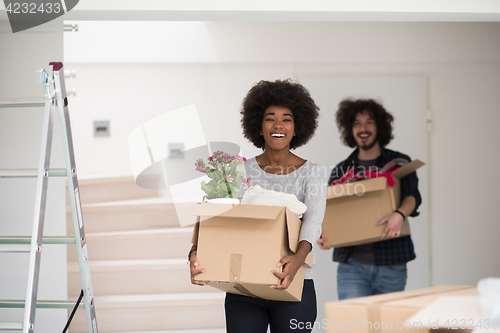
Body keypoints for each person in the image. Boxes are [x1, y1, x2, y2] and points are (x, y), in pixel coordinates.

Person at [189, 79, 326, 333]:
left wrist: (298, 259)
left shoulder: (313, 173)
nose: (278, 125)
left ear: (297, 128)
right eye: (270, 118)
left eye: (287, 119)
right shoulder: (240, 169)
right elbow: (220, 217)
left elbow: (313, 221)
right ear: (259, 126)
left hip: (295, 284)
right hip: (244, 288)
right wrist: (195, 252)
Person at [317, 98, 422, 300]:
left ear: (379, 127)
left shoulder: (398, 162)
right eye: (357, 123)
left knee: (388, 328)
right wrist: (324, 234)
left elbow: (412, 196)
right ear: (350, 129)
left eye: (369, 122)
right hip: (352, 266)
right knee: (353, 327)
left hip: (393, 262)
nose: (363, 128)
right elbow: (329, 209)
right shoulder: (342, 170)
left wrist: (399, 214)